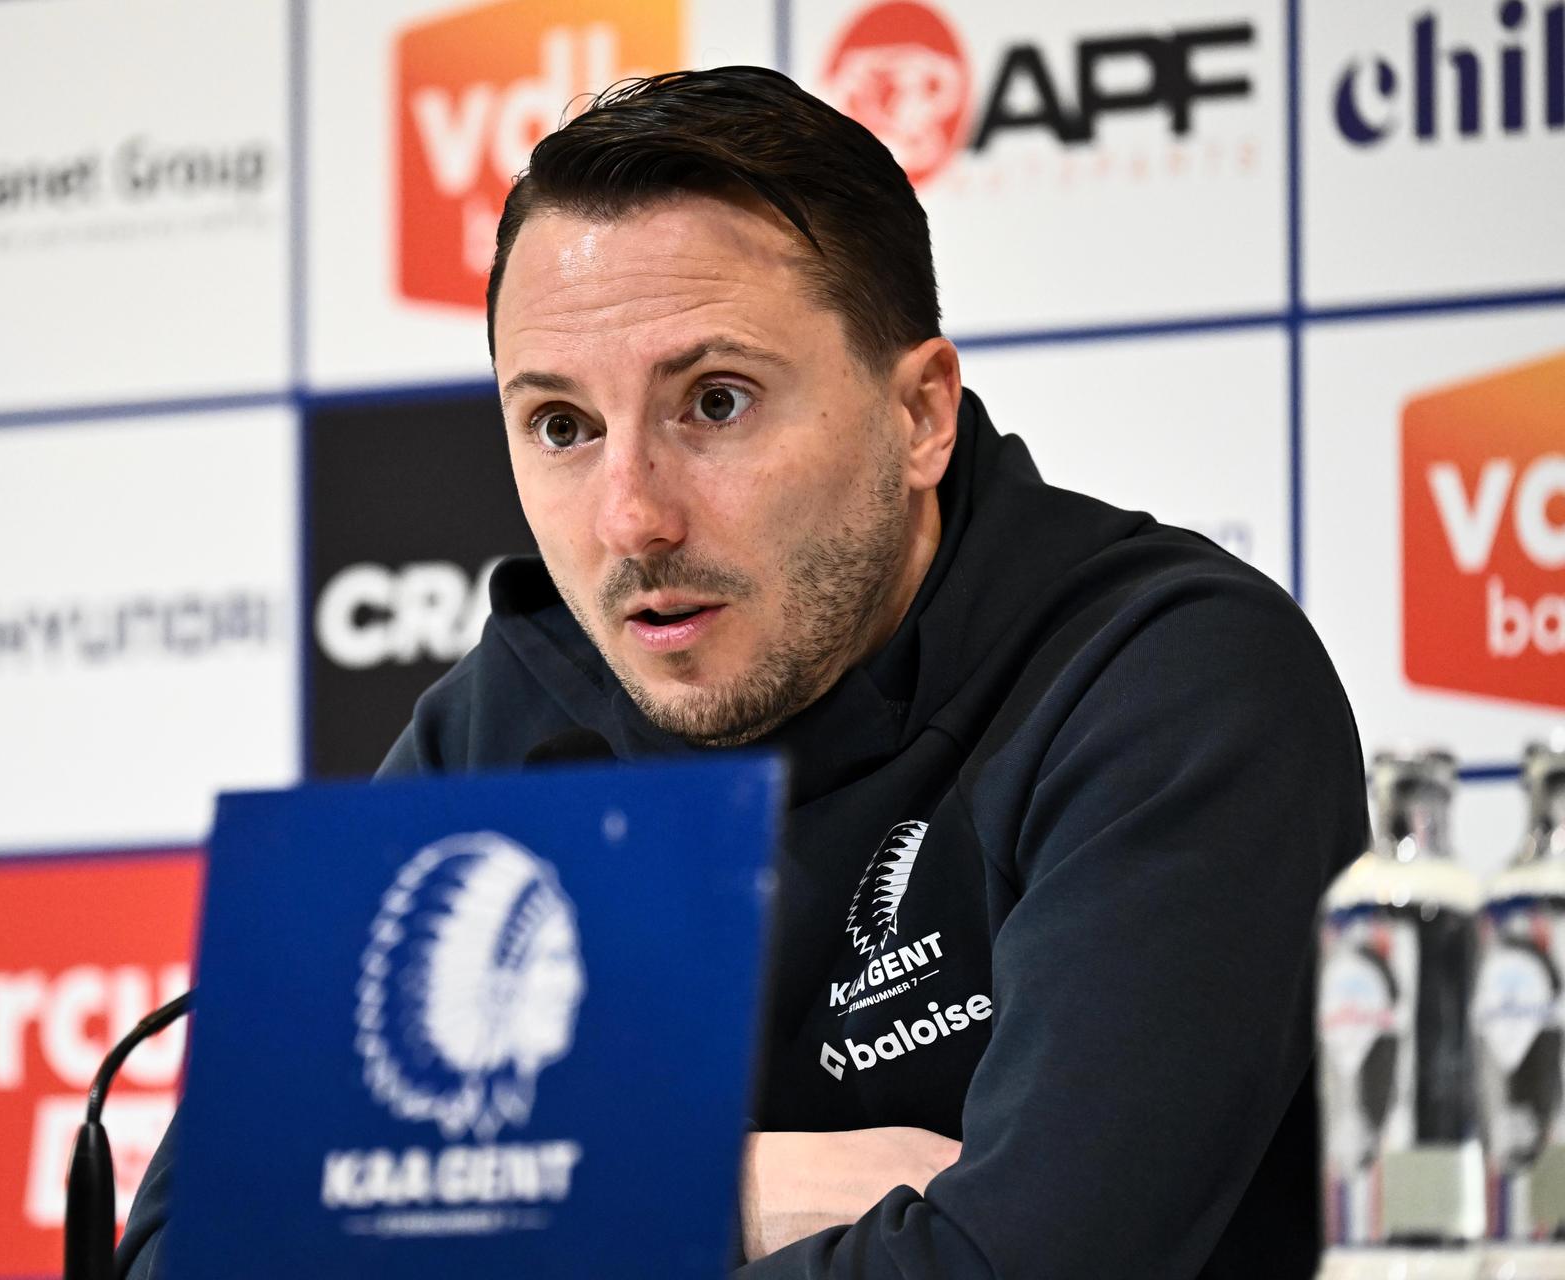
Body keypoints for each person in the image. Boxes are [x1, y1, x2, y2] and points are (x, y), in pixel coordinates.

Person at [120, 66, 1366, 1277]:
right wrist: (718, 1191)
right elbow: (197, 1249)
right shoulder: (511, 725)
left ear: (922, 413)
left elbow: (1024, 1259)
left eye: (715, 402)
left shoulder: (1168, 681)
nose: (631, 518)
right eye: (563, 426)